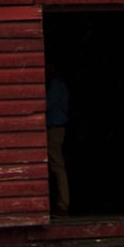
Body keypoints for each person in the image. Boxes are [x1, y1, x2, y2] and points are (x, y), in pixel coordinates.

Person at [45, 64, 70, 216]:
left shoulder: (56, 84)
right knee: (56, 166)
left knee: (57, 166)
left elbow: (46, 104)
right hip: (55, 128)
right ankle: (60, 203)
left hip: (54, 128)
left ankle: (63, 204)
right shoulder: (58, 84)